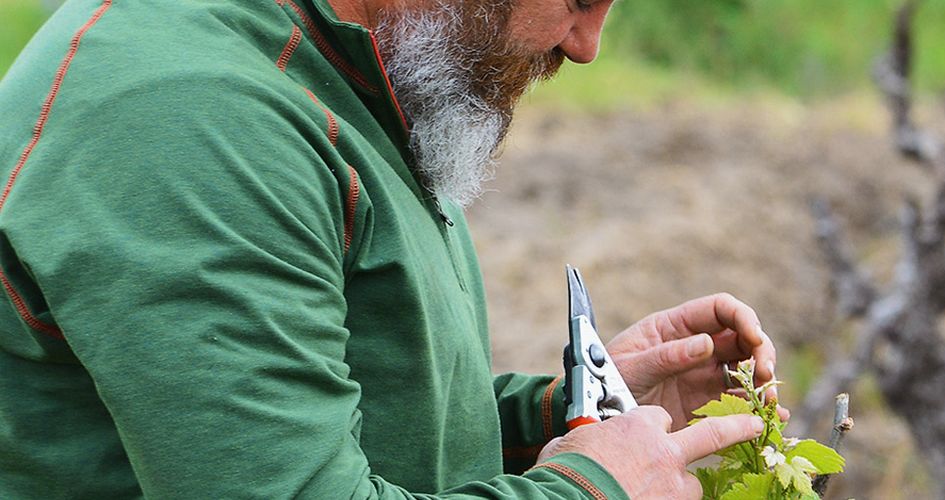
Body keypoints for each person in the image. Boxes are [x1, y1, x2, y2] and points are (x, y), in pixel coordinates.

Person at [0, 0, 780, 498]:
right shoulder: (197, 119)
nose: (586, 47)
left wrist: (572, 416)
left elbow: (343, 408)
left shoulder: (367, 74)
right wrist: (592, 489)